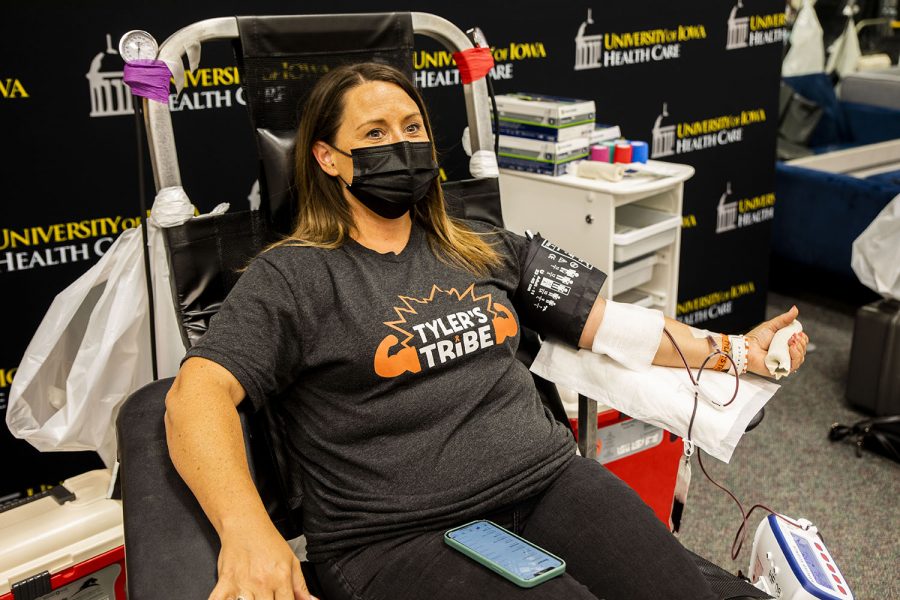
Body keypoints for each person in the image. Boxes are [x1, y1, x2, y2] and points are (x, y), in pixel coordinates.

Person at [164, 62, 809, 600]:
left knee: (679, 593)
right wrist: (246, 526)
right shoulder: (294, 276)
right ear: (328, 158)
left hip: (545, 479)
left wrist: (737, 351)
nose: (403, 141)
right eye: (376, 130)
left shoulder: (481, 247)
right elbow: (195, 397)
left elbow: (619, 330)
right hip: (396, 535)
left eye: (412, 126)